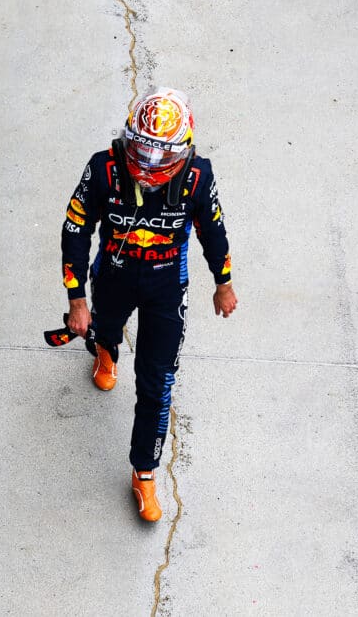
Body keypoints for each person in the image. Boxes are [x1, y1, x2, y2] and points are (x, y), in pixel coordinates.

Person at [60, 87, 237, 522]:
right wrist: (77, 299)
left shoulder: (199, 176)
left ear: (184, 149)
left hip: (167, 285)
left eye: (161, 156)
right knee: (102, 326)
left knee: (157, 384)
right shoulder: (102, 167)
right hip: (113, 274)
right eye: (142, 150)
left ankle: (144, 472)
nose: (149, 164)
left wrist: (223, 283)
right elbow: (75, 229)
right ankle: (105, 350)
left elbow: (213, 229)